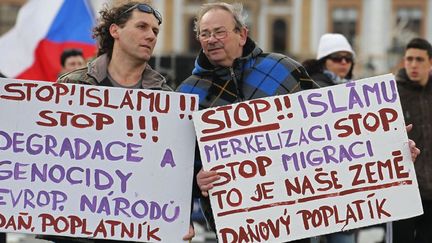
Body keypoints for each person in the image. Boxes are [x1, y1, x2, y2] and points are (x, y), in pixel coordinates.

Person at [37, 1, 194, 242]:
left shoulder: (167, 100)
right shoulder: (73, 87)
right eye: (141, 26)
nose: (150, 36)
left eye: (155, 31)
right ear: (114, 31)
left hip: (137, 231)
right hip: (75, 233)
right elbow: (45, 158)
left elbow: (174, 171)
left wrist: (180, 217)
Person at [176, 2, 318, 243]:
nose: (211, 40)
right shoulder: (187, 93)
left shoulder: (284, 70)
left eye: (220, 32)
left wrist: (389, 140)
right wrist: (195, 179)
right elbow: (175, 164)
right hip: (233, 224)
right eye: (204, 33)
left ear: (242, 34)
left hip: (295, 216)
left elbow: (333, 128)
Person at [303, 33, 357, 243]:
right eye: (337, 58)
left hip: (342, 185)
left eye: (348, 58)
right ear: (323, 62)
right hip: (318, 184)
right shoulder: (316, 87)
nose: (343, 62)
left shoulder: (352, 89)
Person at [387, 37, 432, 243]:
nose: (413, 64)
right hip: (403, 191)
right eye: (409, 59)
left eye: (419, 60)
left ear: (430, 62)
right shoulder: (390, 93)